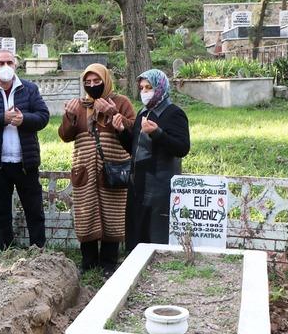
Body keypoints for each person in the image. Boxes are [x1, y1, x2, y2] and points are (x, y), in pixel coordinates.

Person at [59, 63, 135, 275]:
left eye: (97, 81)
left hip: (112, 170)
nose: (92, 85)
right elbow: (65, 135)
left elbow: (133, 131)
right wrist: (70, 116)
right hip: (84, 171)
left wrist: (112, 113)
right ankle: (89, 263)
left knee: (113, 215)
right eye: (88, 82)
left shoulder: (121, 102)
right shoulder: (81, 105)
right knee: (86, 215)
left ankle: (109, 263)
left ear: (106, 80)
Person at [113, 68, 190, 252]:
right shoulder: (143, 113)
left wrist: (157, 133)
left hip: (160, 185)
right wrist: (122, 131)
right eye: (142, 88)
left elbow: (182, 148)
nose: (145, 92)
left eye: (149, 87)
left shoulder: (174, 113)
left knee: (155, 234)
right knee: (135, 231)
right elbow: (134, 149)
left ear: (161, 87)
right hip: (138, 183)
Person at [0, 50, 50, 250]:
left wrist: (24, 119)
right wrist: (2, 119)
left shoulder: (29, 89)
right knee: (2, 212)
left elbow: (43, 116)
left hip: (25, 162)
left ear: (15, 65)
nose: (5, 67)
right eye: (0, 63)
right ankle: (6, 252)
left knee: (34, 210)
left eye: (9, 62)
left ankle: (38, 251)